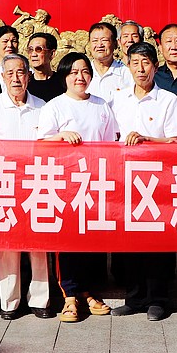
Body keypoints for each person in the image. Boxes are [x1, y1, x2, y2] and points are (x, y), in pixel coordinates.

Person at [38, 52, 119, 322]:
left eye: (84, 71)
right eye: (73, 72)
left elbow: (110, 143)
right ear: (64, 76)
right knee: (67, 241)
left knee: (93, 239)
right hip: (65, 185)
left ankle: (89, 292)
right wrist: (60, 136)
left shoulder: (101, 105)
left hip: (96, 181)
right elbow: (40, 144)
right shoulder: (55, 106)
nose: (80, 77)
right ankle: (70, 296)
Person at [110, 42, 177, 321]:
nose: (140, 69)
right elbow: (111, 137)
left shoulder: (167, 99)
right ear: (128, 66)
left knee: (157, 241)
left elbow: (175, 141)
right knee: (129, 241)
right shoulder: (118, 99)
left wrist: (146, 139)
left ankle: (158, 299)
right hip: (125, 178)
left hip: (158, 179)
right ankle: (134, 298)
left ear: (155, 66)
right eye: (135, 63)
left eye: (146, 63)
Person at [0, 53, 50, 319]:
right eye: (10, 73)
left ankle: (40, 300)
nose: (16, 78)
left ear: (29, 75)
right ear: (2, 77)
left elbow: (49, 145)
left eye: (21, 72)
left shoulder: (43, 106)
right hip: (3, 182)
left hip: (36, 181)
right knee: (7, 245)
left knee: (38, 243)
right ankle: (9, 302)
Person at [86, 22, 128, 103]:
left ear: (115, 44)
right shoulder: (83, 75)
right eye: (95, 41)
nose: (99, 45)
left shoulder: (126, 74)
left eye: (104, 40)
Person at [26, 32, 63, 103]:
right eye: (30, 50)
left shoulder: (63, 82)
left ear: (51, 54)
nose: (33, 54)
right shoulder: (26, 84)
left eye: (38, 49)